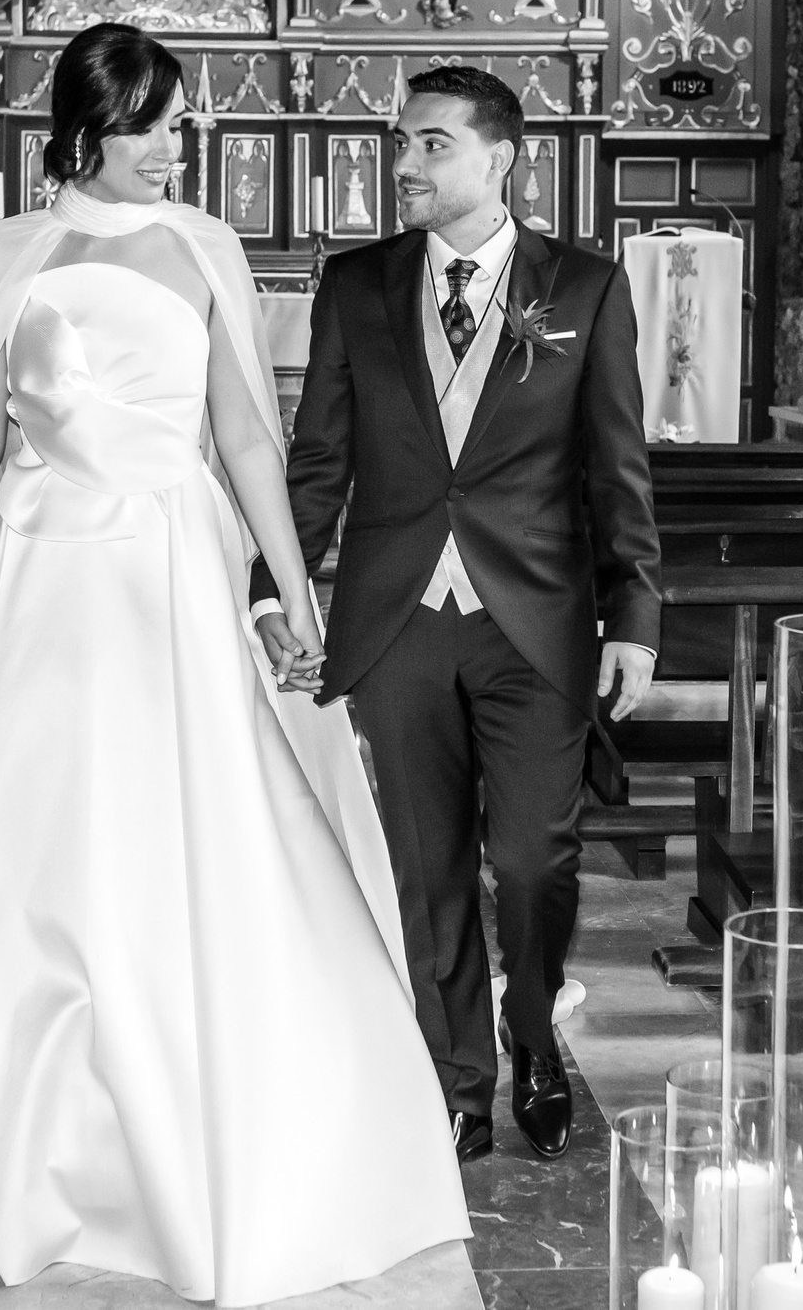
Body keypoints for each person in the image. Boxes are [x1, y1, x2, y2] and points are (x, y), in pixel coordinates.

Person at [0, 23, 469, 1304]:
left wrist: (292, 595)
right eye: (155, 126)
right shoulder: (4, 256)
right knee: (26, 849)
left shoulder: (203, 248)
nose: (176, 148)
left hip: (170, 580)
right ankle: (17, 1110)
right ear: (89, 128)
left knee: (179, 836)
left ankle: (189, 1103)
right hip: (35, 584)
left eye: (179, 124)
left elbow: (246, 442)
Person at [252, 66, 662, 1162]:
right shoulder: (356, 285)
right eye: (402, 142)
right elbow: (318, 459)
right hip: (396, 618)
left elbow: (617, 468)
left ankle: (533, 1033)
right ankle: (458, 1078)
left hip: (536, 620)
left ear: (501, 158)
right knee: (424, 870)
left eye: (432, 144)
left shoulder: (585, 288)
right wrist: (275, 588)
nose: (405, 164)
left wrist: (634, 615)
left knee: (533, 861)